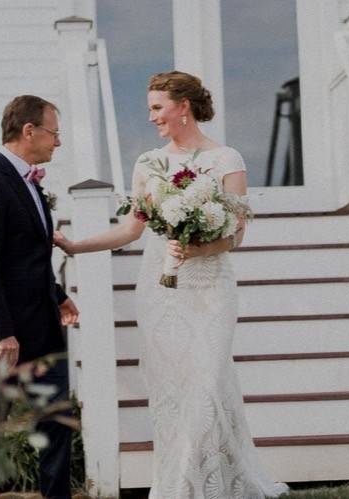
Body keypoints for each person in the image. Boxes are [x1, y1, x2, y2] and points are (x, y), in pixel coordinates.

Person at [53, 71, 288, 498]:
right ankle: (182, 482)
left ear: (184, 107)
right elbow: (129, 231)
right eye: (150, 108)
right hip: (161, 293)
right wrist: (76, 245)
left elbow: (237, 232)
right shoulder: (149, 163)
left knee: (209, 383)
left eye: (157, 107)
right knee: (174, 395)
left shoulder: (227, 160)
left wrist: (199, 250)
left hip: (211, 287)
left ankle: (193, 487)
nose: (151, 116)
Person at [0, 95, 80, 499]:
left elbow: (28, 256)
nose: (57, 143)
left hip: (43, 330)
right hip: (2, 341)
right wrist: (1, 334)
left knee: (59, 424)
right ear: (29, 131)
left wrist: (59, 295)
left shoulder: (30, 182)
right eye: (54, 132)